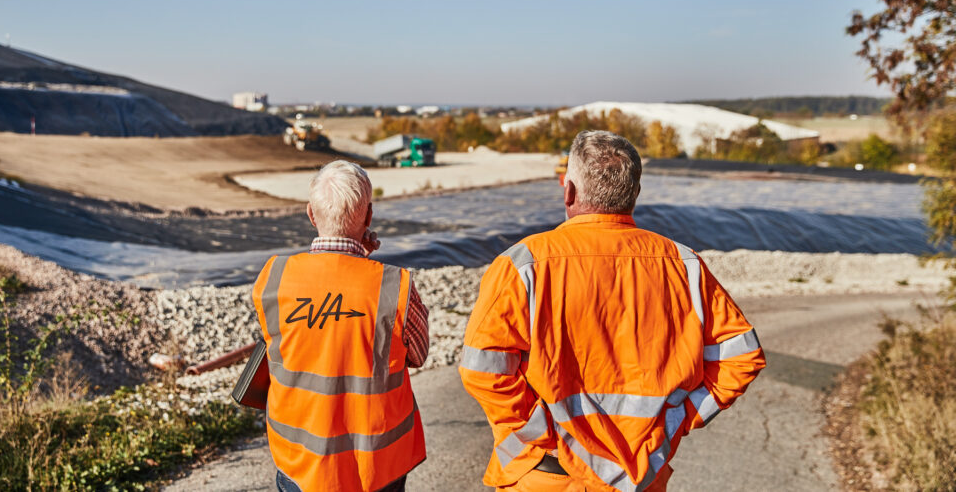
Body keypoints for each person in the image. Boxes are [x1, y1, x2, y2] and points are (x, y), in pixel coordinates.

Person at [459, 131, 765, 492]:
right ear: (634, 194)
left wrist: (542, 431)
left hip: (547, 474)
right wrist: (677, 418)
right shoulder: (685, 265)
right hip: (639, 477)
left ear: (569, 191)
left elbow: (482, 369)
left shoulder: (524, 264)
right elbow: (741, 358)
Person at [251, 160, 428, 492]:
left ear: (311, 214)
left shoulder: (273, 278)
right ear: (369, 216)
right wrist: (365, 259)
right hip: (375, 468)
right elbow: (418, 354)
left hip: (299, 462)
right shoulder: (394, 286)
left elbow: (284, 345)